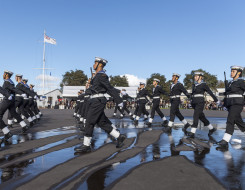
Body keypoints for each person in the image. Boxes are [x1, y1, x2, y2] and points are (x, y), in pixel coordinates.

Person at [74, 57, 126, 153]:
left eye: (95, 63)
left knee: (89, 121)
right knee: (101, 123)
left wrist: (119, 101)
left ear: (100, 65)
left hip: (98, 101)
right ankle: (119, 136)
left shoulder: (102, 76)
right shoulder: (97, 76)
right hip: (95, 101)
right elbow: (94, 89)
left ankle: (86, 145)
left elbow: (109, 88)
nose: (93, 64)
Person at [217, 66, 245, 149]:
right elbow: (227, 95)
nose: (231, 73)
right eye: (231, 71)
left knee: (230, 120)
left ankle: (225, 140)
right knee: (238, 121)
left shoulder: (241, 82)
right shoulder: (230, 83)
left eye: (233, 71)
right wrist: (224, 104)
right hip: (230, 104)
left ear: (239, 73)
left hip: (237, 103)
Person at [187, 71, 218, 138]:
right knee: (202, 117)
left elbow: (210, 92)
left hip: (200, 103)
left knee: (195, 115)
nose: (195, 77)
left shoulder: (203, 85)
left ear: (200, 77)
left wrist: (215, 99)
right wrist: (190, 98)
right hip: (194, 103)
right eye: (194, 76)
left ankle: (192, 132)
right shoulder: (194, 85)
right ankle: (211, 129)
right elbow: (192, 94)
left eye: (196, 76)